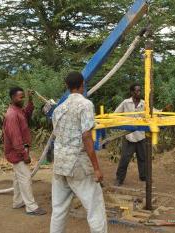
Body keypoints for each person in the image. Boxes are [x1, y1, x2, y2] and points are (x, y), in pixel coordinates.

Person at [50, 71, 107, 233]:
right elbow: (87, 136)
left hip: (60, 164)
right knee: (95, 207)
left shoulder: (58, 109)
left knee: (59, 210)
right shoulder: (85, 105)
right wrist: (96, 168)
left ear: (67, 87)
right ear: (82, 85)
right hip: (77, 164)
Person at [3, 87, 46, 215]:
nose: (22, 99)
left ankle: (18, 201)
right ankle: (31, 207)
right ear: (12, 98)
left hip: (19, 150)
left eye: (23, 97)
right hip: (17, 152)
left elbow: (27, 112)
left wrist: (31, 99)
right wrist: (24, 154)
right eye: (20, 97)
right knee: (26, 177)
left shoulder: (18, 110)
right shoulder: (12, 115)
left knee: (18, 178)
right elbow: (15, 138)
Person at [114, 83, 146, 186]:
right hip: (129, 136)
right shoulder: (126, 103)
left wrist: (161, 112)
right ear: (132, 92)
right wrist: (124, 122)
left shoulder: (144, 104)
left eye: (139, 90)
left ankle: (143, 176)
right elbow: (116, 114)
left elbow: (153, 112)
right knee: (124, 159)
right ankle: (119, 179)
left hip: (140, 135)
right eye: (136, 91)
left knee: (143, 158)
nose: (138, 93)